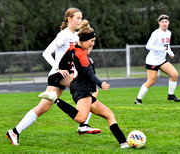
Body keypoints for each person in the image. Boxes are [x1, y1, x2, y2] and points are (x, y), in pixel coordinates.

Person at [6, 8, 100, 146]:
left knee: (43, 106)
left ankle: (14, 131)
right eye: (77, 18)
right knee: (91, 89)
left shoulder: (75, 36)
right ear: (69, 19)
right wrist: (58, 67)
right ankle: (83, 125)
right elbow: (46, 53)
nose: (80, 20)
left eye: (81, 18)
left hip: (63, 75)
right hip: (58, 74)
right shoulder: (64, 35)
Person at [39, 20, 130, 148]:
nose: (93, 43)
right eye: (91, 41)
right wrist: (100, 83)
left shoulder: (74, 49)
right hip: (82, 90)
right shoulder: (81, 54)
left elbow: (64, 63)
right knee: (81, 118)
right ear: (84, 40)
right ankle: (55, 99)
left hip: (83, 88)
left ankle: (124, 143)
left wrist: (64, 68)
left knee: (109, 114)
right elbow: (89, 74)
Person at [134, 14, 180, 105]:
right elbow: (148, 46)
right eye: (162, 22)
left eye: (166, 22)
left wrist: (170, 52)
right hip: (152, 61)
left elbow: (167, 46)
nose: (164, 23)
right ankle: (138, 100)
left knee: (174, 74)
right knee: (151, 81)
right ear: (159, 23)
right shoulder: (156, 33)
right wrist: (160, 49)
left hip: (161, 60)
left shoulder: (169, 33)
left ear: (169, 23)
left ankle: (170, 95)